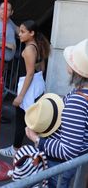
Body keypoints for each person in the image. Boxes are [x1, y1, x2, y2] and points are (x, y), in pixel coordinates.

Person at [26, 39, 88, 188]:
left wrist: (36, 139)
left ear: (76, 69)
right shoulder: (82, 94)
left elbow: (67, 151)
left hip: (59, 165)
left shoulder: (77, 102)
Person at [0, 20, 50, 157]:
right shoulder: (39, 45)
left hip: (29, 89)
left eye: (22, 32)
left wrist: (20, 96)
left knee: (22, 120)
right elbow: (41, 68)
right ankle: (39, 150)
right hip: (38, 86)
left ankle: (15, 149)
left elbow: (30, 73)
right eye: (19, 31)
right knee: (34, 120)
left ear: (32, 33)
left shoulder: (28, 49)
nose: (19, 34)